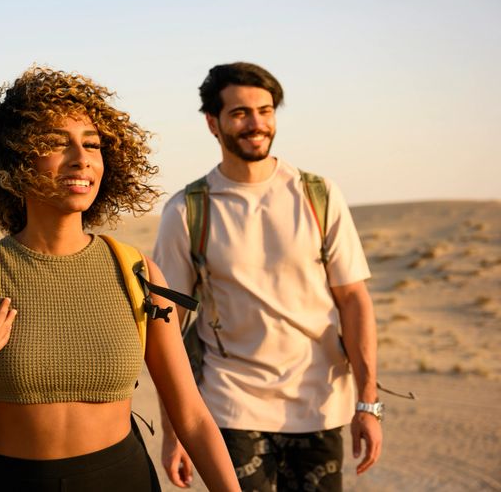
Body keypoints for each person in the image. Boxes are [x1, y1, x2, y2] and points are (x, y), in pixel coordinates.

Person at [0, 66, 241, 492]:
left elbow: (191, 415)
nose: (81, 158)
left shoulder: (136, 272)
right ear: (15, 159)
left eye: (92, 144)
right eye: (55, 143)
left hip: (125, 479)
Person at [153, 62, 382, 491]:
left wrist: (368, 404)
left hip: (321, 405)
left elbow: (354, 301)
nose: (256, 124)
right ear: (212, 123)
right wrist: (175, 431)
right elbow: (168, 328)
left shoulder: (319, 195)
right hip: (231, 405)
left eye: (266, 110)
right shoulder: (187, 210)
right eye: (240, 113)